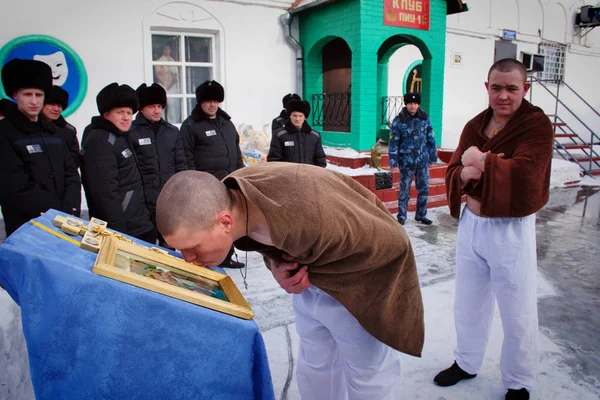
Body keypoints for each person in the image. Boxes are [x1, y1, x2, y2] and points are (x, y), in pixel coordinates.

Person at [156, 163, 424, 400]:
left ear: (224, 222)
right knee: (317, 363)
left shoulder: (307, 218)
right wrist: (277, 266)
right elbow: (270, 240)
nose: (188, 259)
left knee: (367, 371)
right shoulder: (232, 197)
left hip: (362, 278)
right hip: (311, 280)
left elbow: (392, 243)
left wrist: (312, 272)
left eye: (192, 248)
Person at [434, 59, 554, 400]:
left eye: (512, 88)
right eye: (497, 87)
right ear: (487, 88)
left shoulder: (536, 125)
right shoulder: (475, 126)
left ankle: (519, 380)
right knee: (468, 303)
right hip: (473, 227)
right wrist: (467, 171)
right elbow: (455, 167)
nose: (503, 95)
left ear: (524, 89)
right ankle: (466, 362)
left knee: (517, 309)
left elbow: (527, 173)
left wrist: (481, 160)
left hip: (510, 230)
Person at [0, 59, 81, 237]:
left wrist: (70, 206)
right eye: (27, 94)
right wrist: (57, 211)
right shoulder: (5, 132)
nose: (34, 101)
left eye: (39, 94)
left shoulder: (54, 132)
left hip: (64, 222)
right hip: (27, 227)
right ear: (15, 95)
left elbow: (71, 172)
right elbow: (14, 187)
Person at [181, 79, 245, 269]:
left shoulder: (226, 123)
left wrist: (239, 176)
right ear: (200, 102)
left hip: (228, 183)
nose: (212, 104)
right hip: (206, 187)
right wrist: (194, 185)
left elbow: (236, 150)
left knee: (228, 222)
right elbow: (186, 157)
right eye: (208, 101)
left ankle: (226, 255)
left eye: (216, 101)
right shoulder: (191, 125)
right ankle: (206, 257)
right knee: (207, 224)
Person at [80, 83, 155, 243]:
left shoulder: (120, 136)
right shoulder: (100, 141)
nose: (126, 117)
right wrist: (119, 233)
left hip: (139, 224)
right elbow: (105, 194)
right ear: (106, 114)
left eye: (129, 112)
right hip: (122, 230)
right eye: (120, 112)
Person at [129, 83, 187, 247]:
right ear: (141, 108)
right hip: (142, 205)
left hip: (169, 202)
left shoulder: (172, 132)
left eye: (159, 106)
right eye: (151, 106)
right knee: (143, 248)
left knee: (170, 246)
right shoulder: (131, 132)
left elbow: (181, 165)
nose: (156, 110)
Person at [388, 92, 437, 225]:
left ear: (418, 104)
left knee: (424, 188)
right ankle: (402, 216)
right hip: (406, 161)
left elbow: (430, 138)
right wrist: (393, 160)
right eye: (410, 103)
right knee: (404, 190)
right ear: (406, 104)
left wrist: (433, 156)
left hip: (422, 160)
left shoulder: (424, 118)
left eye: (415, 103)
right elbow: (394, 142)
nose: (413, 106)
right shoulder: (399, 120)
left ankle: (421, 215)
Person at [267, 99, 327, 167]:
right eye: (294, 115)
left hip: (309, 175)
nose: (297, 119)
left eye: (300, 116)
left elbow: (320, 160)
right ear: (290, 116)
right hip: (287, 176)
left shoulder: (315, 136)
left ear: (305, 117)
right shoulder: (279, 135)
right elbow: (273, 160)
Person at [42, 85, 81, 172]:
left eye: (59, 106)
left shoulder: (69, 131)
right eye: (52, 104)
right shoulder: (32, 128)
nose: (56, 109)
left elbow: (74, 159)